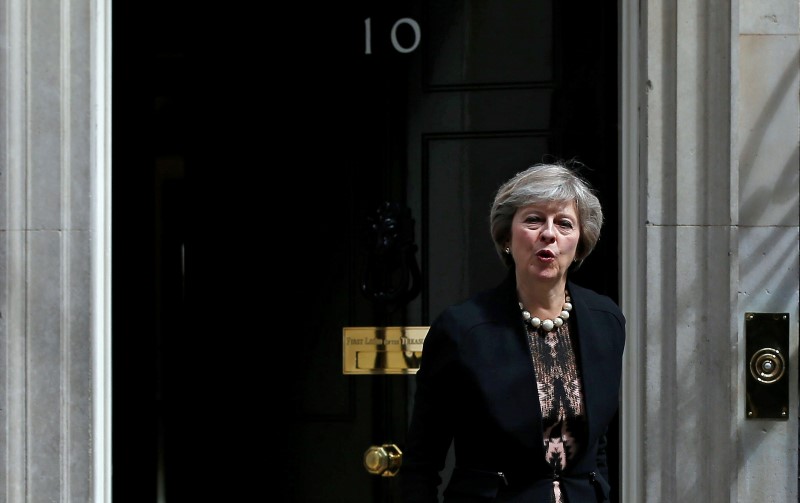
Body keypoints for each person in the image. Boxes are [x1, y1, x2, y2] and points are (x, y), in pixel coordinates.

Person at [400, 161, 626, 503]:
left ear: (580, 245)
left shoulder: (605, 320)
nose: (548, 233)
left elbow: (597, 445)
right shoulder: (463, 329)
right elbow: (422, 460)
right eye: (534, 219)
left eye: (564, 223)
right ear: (506, 236)